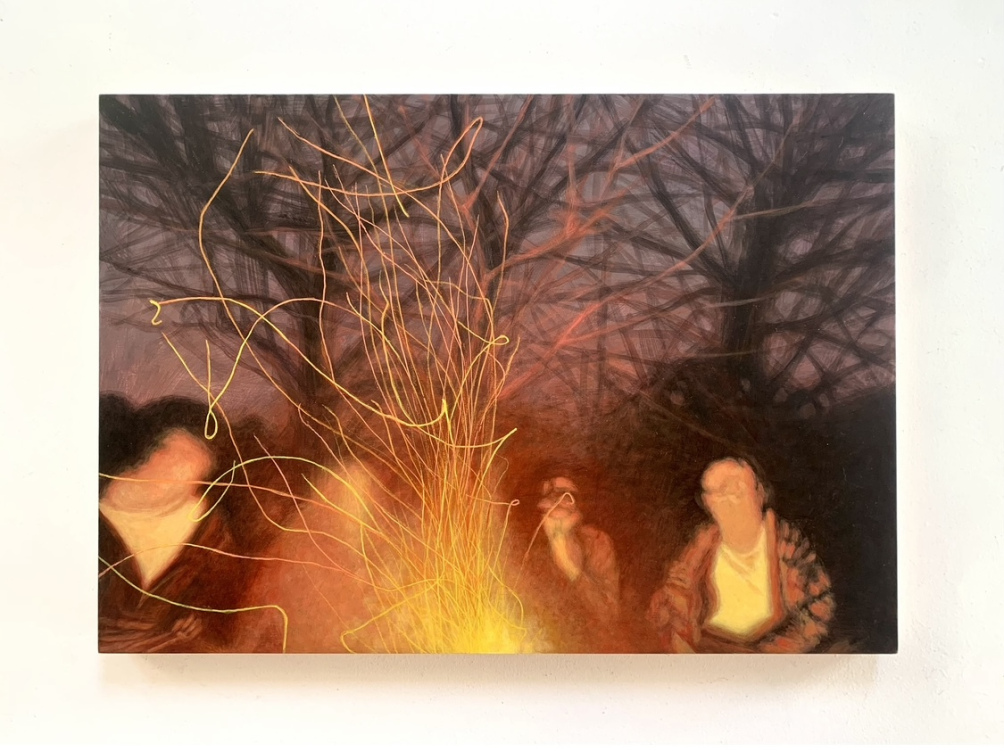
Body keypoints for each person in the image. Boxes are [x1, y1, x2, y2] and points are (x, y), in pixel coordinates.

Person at [98, 394, 278, 652]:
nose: (175, 469)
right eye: (169, 452)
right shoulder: (96, 510)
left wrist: (200, 620)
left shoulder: (209, 530)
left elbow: (225, 603)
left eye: (193, 461)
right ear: (146, 452)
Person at [647, 456, 835, 653]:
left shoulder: (788, 545)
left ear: (760, 494)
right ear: (708, 503)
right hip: (709, 652)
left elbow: (819, 609)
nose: (730, 502)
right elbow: (671, 606)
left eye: (737, 490)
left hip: (772, 653)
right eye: (719, 493)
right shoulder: (699, 550)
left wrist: (773, 655)